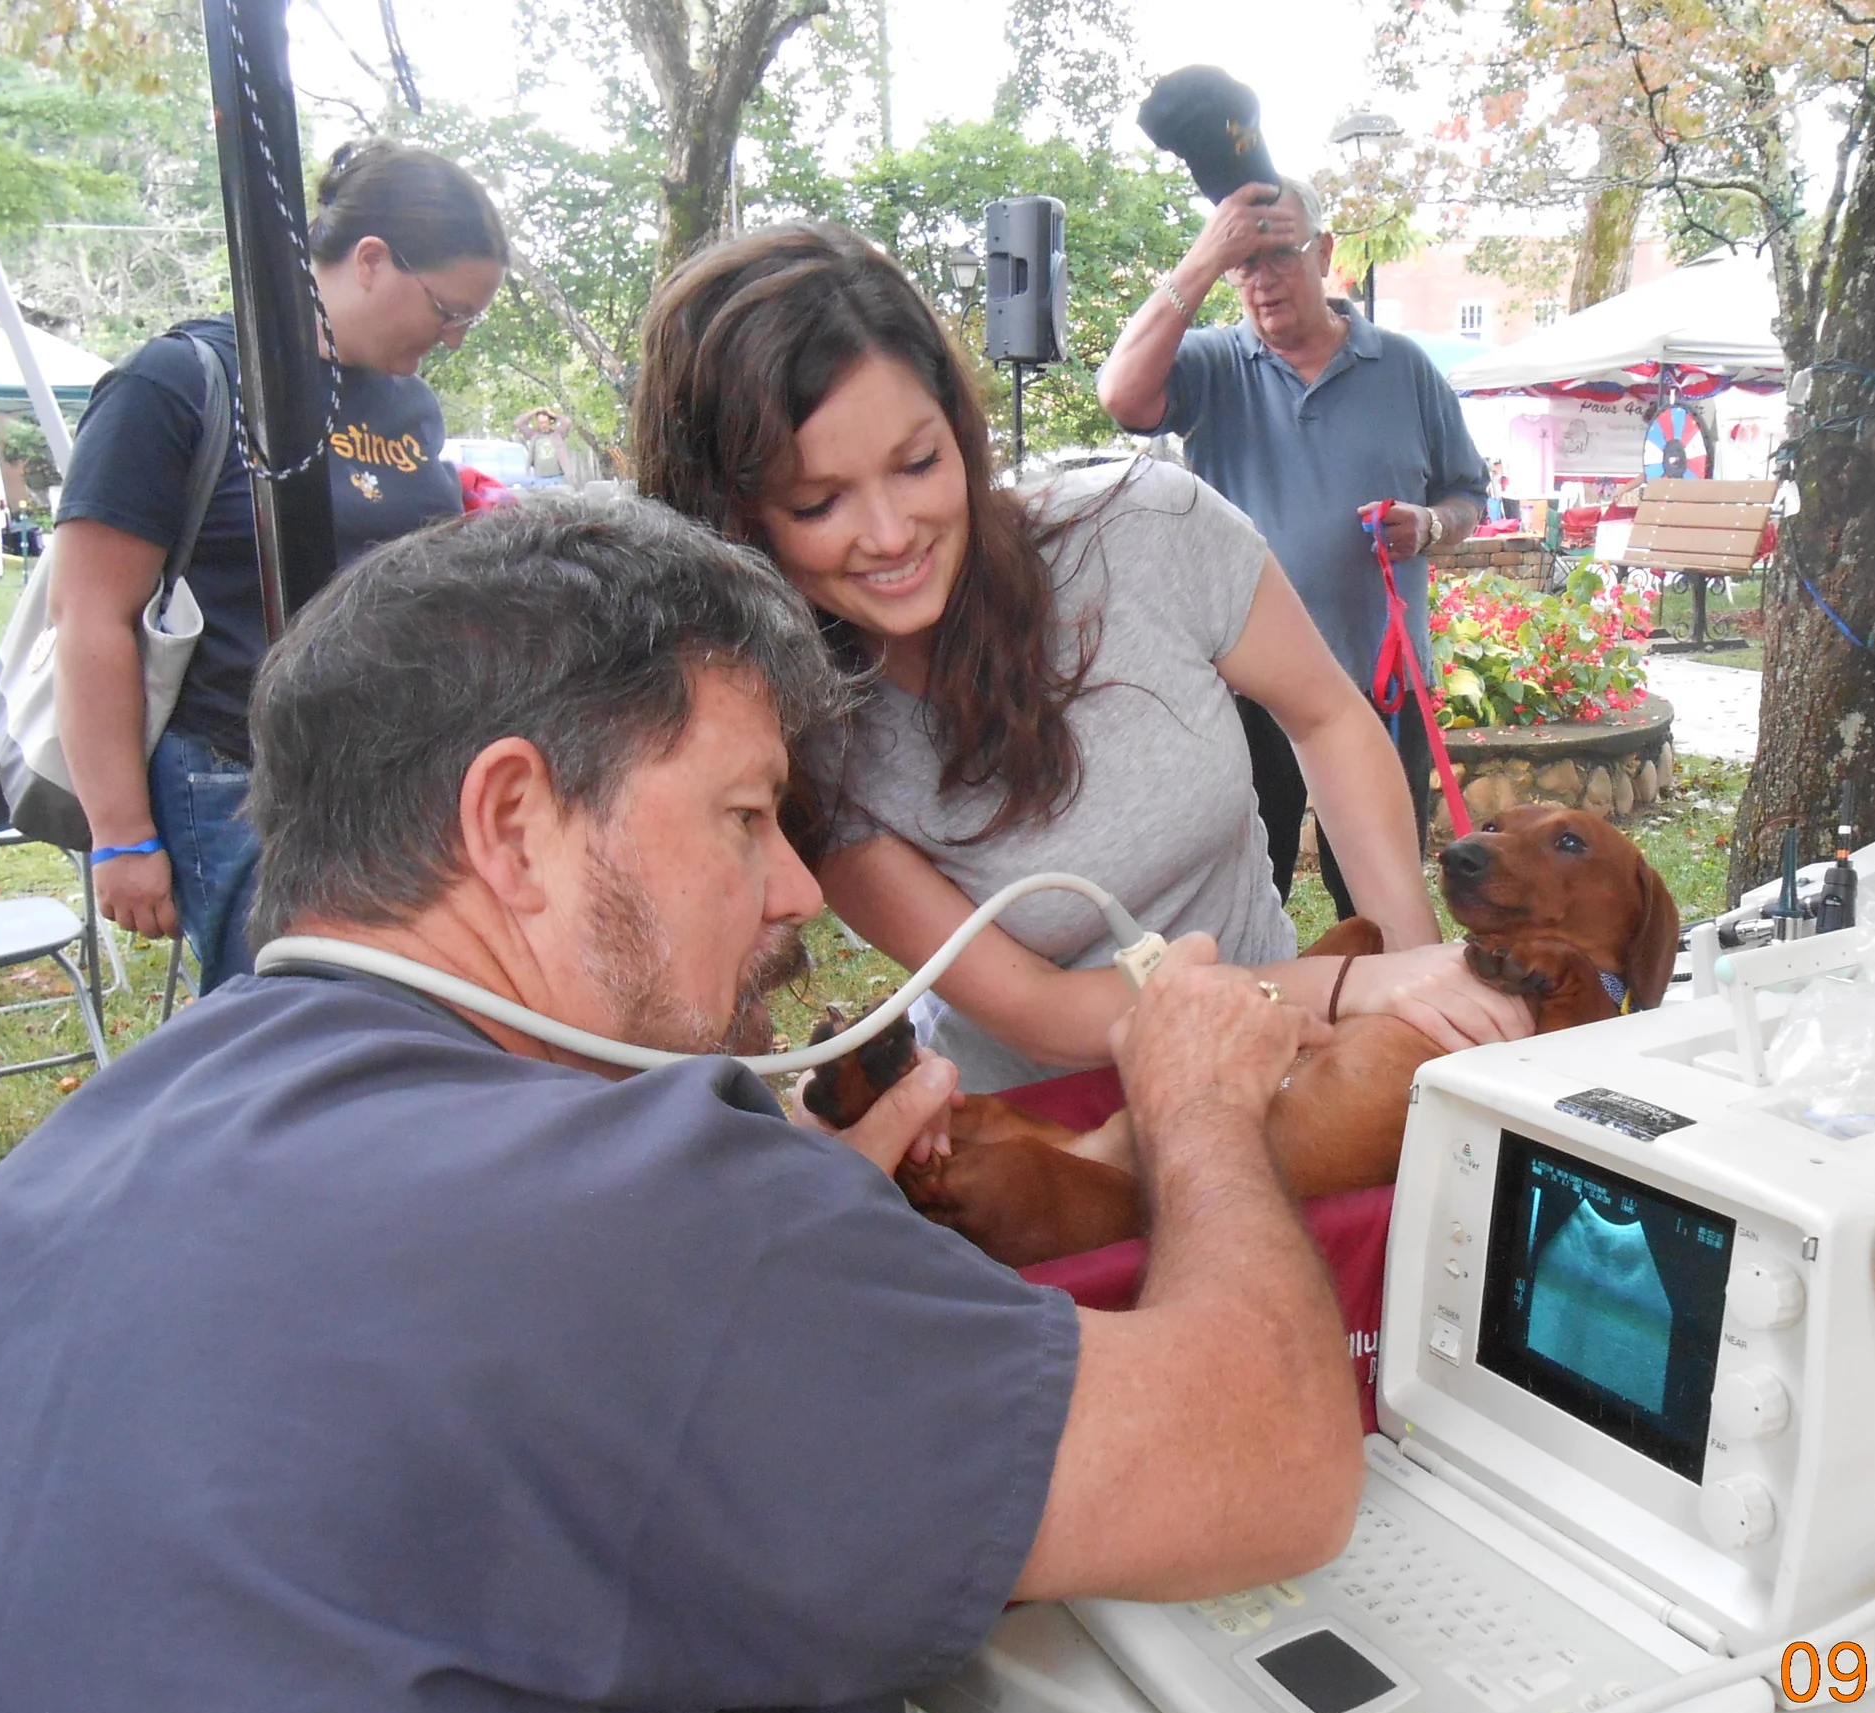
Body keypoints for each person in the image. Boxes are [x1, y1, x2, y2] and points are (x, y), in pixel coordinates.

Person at [0, 495, 1367, 1713]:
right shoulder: (635, 1212)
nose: (795, 888)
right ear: (515, 822)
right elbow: (1266, 1459)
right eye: (743, 815)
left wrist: (792, 1245)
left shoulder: (69, 1162)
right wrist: (1193, 1099)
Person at [634, 222, 1529, 1107]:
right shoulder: (806, 744)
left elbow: (1328, 720)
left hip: (1277, 1074)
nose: (891, 533)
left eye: (917, 463)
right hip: (1047, 1145)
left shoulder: (1145, 528)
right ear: (737, 522)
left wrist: (1415, 977)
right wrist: (1347, 988)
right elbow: (1042, 1010)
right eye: (821, 501)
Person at [51, 139, 506, 991]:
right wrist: (121, 834)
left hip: (389, 766)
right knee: (279, 1011)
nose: (450, 339)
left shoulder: (409, 406)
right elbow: (87, 618)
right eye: (449, 310)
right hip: (233, 775)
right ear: (372, 260)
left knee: (396, 1007)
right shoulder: (179, 383)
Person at [1097, 176, 1491, 920]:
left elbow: (1470, 493)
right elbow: (1121, 397)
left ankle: (1393, 1028)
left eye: (1277, 255)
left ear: (1326, 254)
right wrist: (1202, 259)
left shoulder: (1405, 369)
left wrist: (1431, 525)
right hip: (1249, 693)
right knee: (1243, 898)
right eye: (1242, 264)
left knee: (1381, 899)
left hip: (1380, 691)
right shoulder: (1214, 366)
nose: (1261, 281)